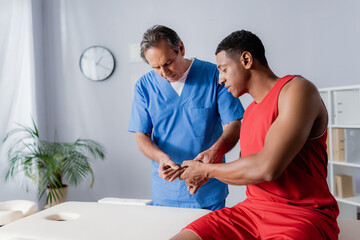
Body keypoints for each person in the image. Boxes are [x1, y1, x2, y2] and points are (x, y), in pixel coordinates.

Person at [172, 30, 339, 239]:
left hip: (301, 216)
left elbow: (266, 168)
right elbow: (248, 173)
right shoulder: (249, 112)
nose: (220, 80)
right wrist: (210, 161)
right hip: (250, 212)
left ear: (246, 60)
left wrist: (207, 171)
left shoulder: (297, 90)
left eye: (223, 70)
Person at [128, 25, 244, 210]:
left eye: (168, 63)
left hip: (209, 187)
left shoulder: (215, 75)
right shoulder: (144, 86)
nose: (164, 73)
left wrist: (216, 151)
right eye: (156, 67)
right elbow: (141, 136)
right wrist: (161, 158)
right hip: (167, 189)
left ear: (181, 48)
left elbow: (233, 124)